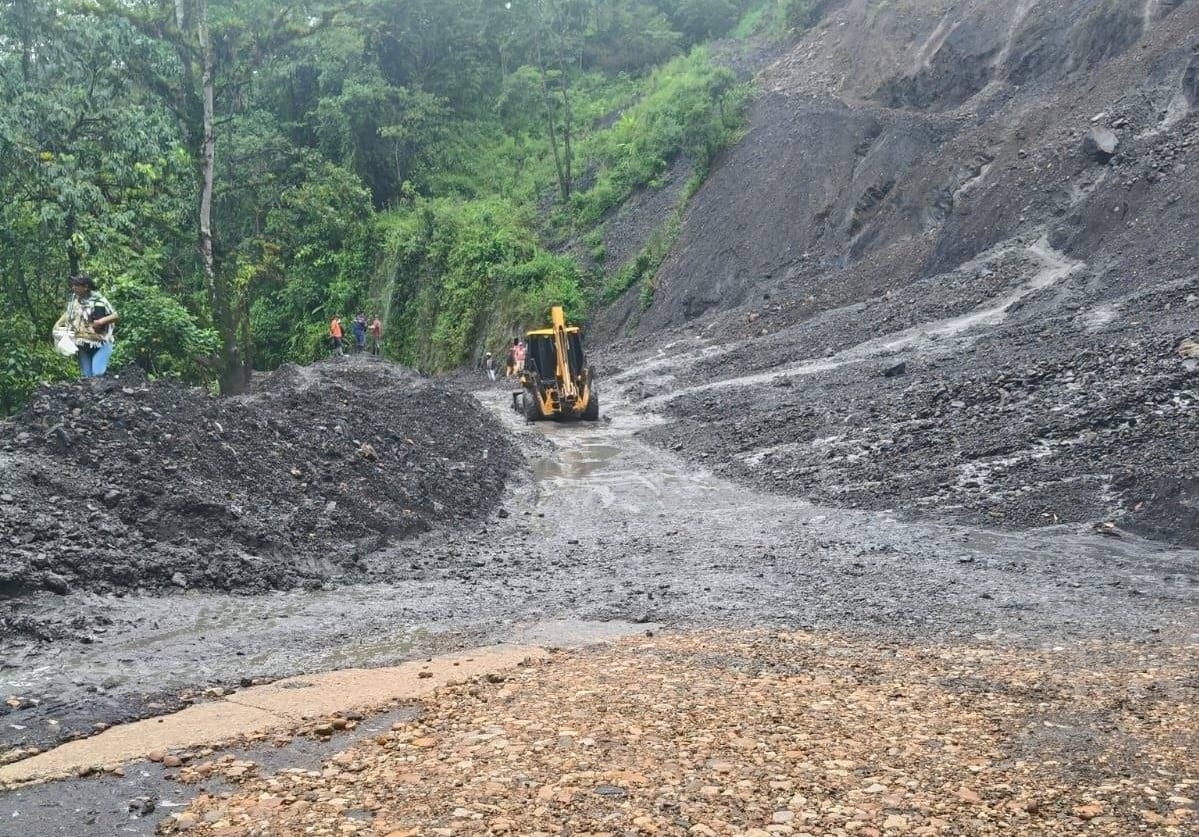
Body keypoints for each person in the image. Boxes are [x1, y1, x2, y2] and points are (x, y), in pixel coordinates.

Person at [55, 274, 118, 378]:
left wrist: (101, 321)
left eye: (76, 285)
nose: (73, 287)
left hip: (101, 342)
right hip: (82, 342)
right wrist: (57, 325)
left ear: (85, 287)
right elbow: (69, 314)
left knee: (97, 373)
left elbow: (115, 315)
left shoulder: (98, 299)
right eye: (73, 285)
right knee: (86, 377)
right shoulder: (75, 299)